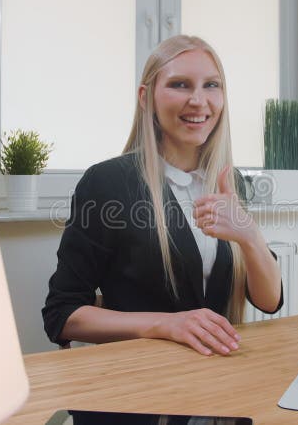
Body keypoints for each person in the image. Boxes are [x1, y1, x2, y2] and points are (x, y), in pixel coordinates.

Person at [42, 35, 283, 357]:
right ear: (146, 97)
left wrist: (250, 236)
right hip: (141, 383)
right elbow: (62, 315)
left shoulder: (230, 181)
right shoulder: (108, 183)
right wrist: (165, 325)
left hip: (216, 381)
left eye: (211, 85)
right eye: (180, 84)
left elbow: (268, 302)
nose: (198, 100)